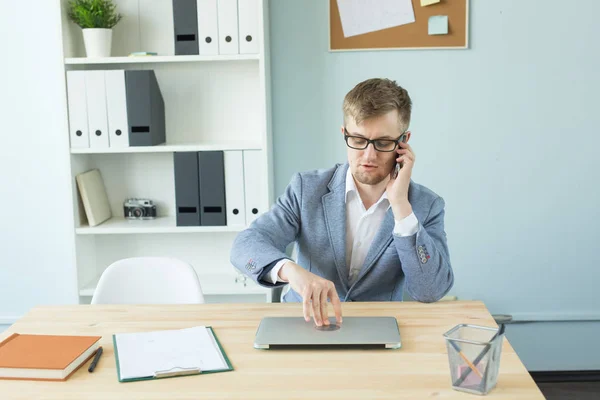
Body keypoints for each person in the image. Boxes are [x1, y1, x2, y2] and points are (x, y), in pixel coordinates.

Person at [230, 78, 454, 327]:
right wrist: (291, 271)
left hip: (377, 328)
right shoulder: (306, 189)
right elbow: (245, 245)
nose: (369, 155)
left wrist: (401, 206)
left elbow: (430, 290)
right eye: (358, 140)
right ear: (344, 134)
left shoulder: (425, 205)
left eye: (383, 142)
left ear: (403, 141)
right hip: (304, 323)